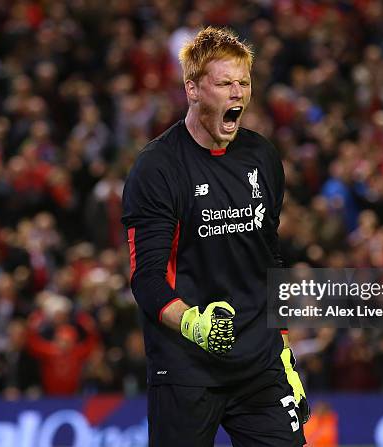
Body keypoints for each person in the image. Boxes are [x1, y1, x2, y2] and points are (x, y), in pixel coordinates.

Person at [122, 27, 309, 446]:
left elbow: (268, 262)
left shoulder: (262, 157)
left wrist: (281, 348)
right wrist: (191, 322)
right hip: (185, 368)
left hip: (258, 365)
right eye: (224, 83)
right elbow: (147, 279)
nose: (237, 93)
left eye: (243, 82)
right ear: (192, 89)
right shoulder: (157, 169)